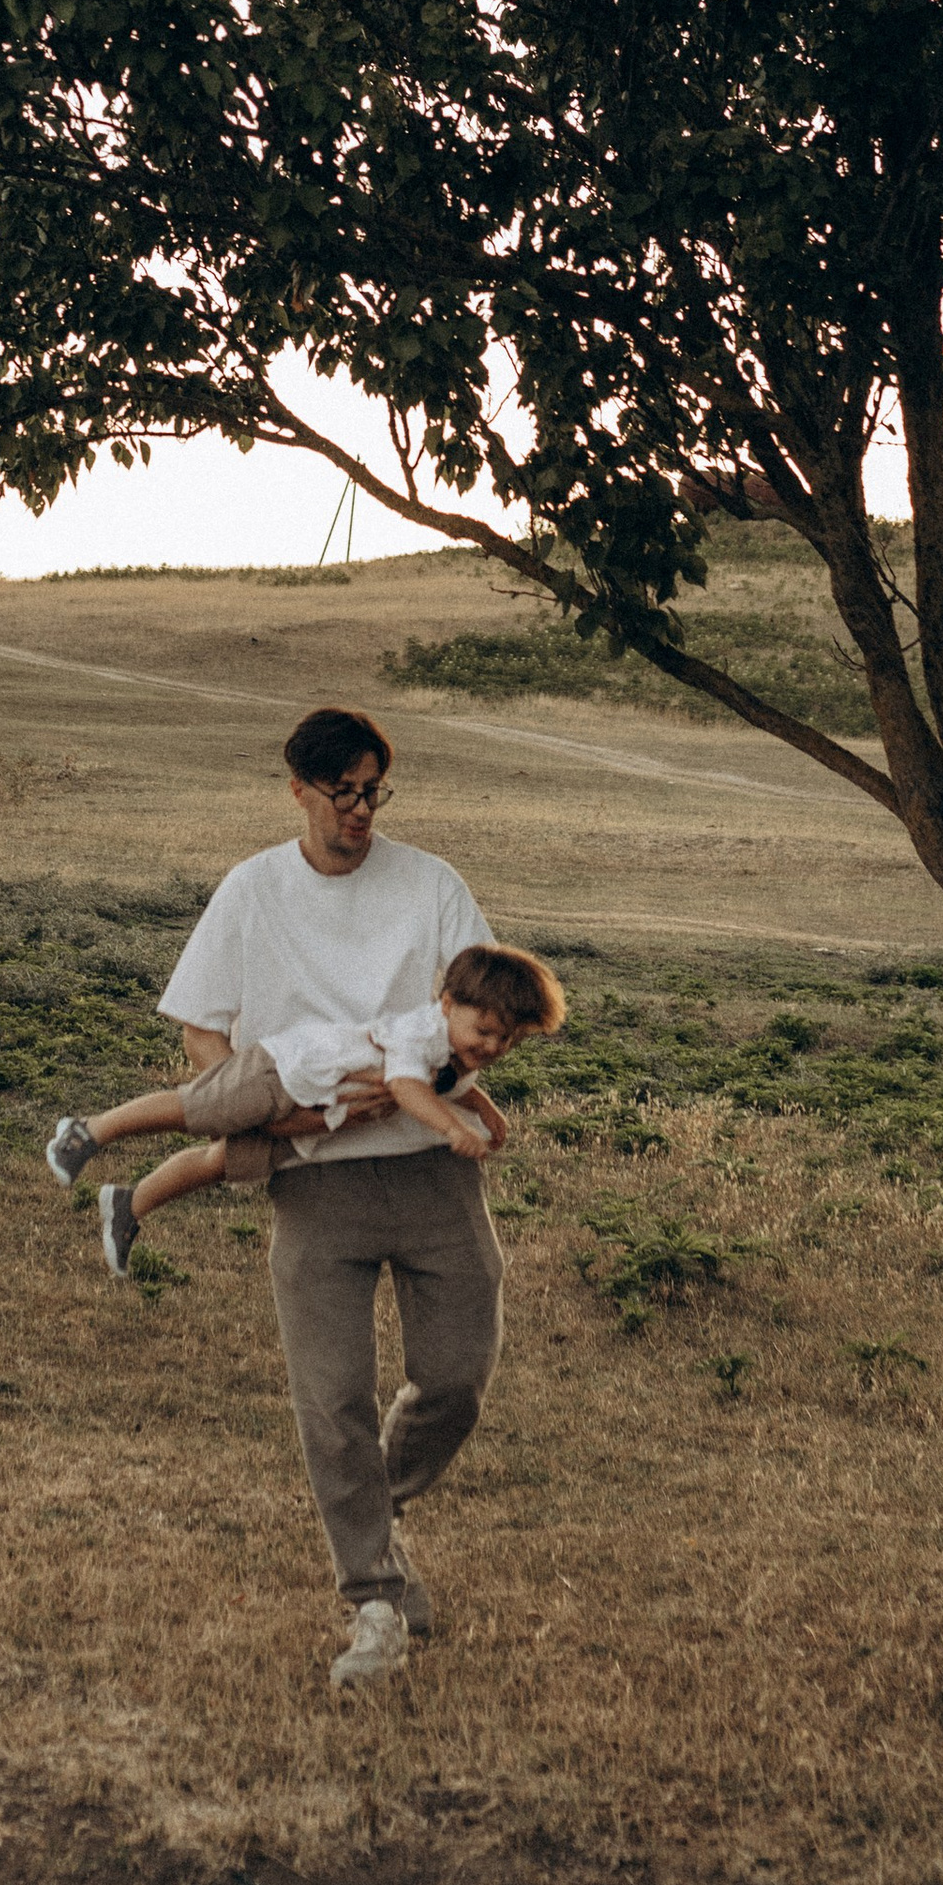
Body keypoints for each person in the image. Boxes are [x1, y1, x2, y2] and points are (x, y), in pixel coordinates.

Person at [100, 706, 528, 1690]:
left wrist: (444, 1103)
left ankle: (373, 1506)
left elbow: (484, 1024)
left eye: (374, 790)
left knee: (456, 1377)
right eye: (342, 792)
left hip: (431, 1173)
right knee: (332, 1398)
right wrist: (267, 1119)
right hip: (314, 1182)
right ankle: (373, 1594)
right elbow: (203, 1038)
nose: (360, 810)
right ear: (296, 787)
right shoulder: (252, 892)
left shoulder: (432, 886)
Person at [46, 936, 566, 1270]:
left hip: (318, 1118)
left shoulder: (453, 1051)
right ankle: (88, 1131)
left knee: (224, 1162)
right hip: (285, 1072)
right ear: (447, 1004)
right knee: (193, 1109)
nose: (494, 1048)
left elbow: (451, 1085)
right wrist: (454, 1129)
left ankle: (127, 1205)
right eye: (487, 1031)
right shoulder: (418, 1032)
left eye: (510, 1041)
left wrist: (485, 1109)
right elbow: (409, 1088)